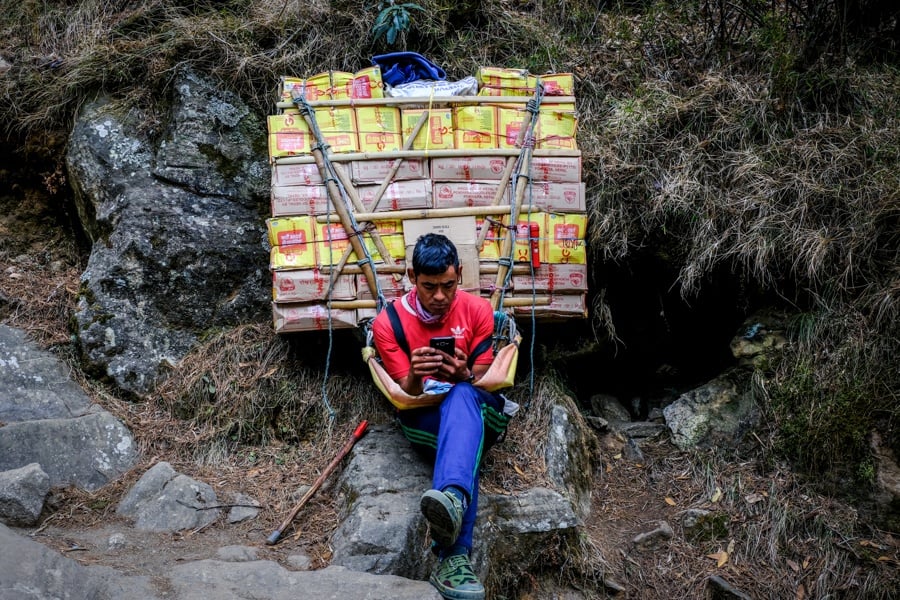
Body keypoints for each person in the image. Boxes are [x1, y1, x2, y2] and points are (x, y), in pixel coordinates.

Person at [372, 233, 511, 600]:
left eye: (448, 286)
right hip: (424, 420)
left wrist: (462, 374)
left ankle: (451, 536)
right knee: (463, 452)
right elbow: (404, 392)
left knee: (464, 395)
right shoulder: (389, 323)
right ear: (411, 277)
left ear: (459, 275)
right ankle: (454, 515)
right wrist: (417, 373)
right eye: (429, 286)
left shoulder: (478, 311)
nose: (439, 297)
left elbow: (485, 382)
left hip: (481, 413)